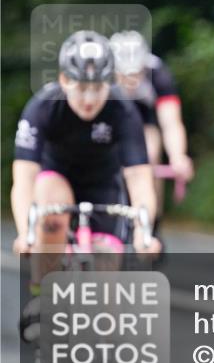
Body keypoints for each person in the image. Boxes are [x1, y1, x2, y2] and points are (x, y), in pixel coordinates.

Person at [12, 31, 162, 331]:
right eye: (81, 88)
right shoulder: (43, 106)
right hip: (56, 176)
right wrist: (25, 232)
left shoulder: (123, 110)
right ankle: (42, 292)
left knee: (107, 283)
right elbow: (24, 176)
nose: (89, 98)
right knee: (52, 213)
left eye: (98, 88)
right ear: (64, 80)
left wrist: (144, 232)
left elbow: (139, 176)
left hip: (103, 184)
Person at [109, 31, 194, 224]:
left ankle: (153, 219)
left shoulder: (158, 74)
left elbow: (171, 123)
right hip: (112, 118)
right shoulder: (101, 76)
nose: (130, 80)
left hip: (144, 117)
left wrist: (177, 156)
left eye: (135, 73)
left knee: (149, 153)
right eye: (124, 74)